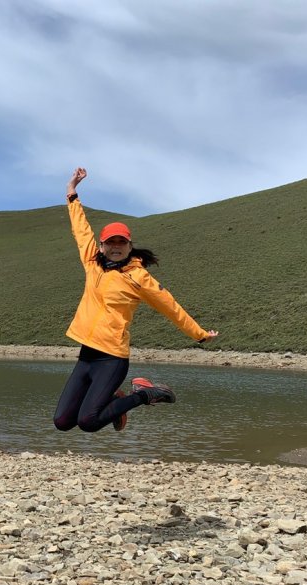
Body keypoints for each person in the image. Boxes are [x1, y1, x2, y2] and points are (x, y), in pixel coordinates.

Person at [53, 167, 218, 434]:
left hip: (112, 358)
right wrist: (72, 193)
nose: (115, 246)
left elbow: (170, 306)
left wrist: (199, 334)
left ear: (129, 245)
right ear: (102, 245)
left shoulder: (139, 278)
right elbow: (81, 231)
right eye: (110, 242)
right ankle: (117, 398)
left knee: (89, 422)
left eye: (122, 242)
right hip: (86, 355)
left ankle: (145, 394)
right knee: (62, 422)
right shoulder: (92, 262)